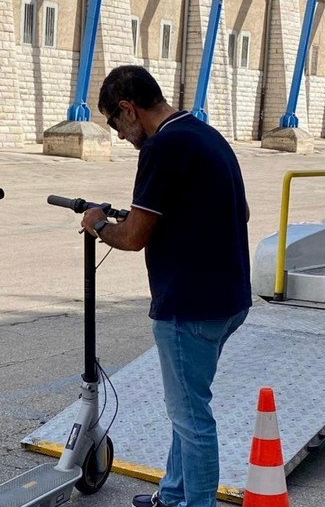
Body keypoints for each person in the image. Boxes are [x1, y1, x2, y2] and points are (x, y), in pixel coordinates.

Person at [80, 65, 252, 507]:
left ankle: (196, 504)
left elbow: (134, 236)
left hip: (188, 307)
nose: (120, 136)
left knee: (192, 419)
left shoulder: (162, 146)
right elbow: (240, 212)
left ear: (128, 108)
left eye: (116, 125)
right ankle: (174, 495)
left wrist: (99, 223)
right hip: (228, 300)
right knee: (188, 407)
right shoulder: (203, 133)